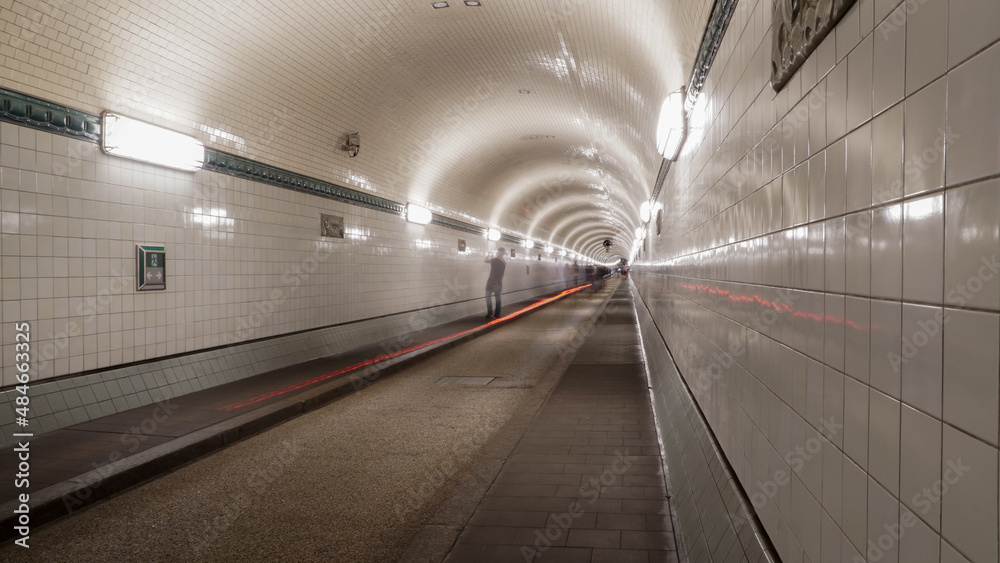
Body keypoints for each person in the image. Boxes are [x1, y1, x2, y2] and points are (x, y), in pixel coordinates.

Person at [483, 247, 507, 319]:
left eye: (497, 252)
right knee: (497, 298)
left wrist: (489, 254)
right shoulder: (504, 262)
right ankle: (497, 313)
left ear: (500, 253)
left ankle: (490, 311)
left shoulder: (495, 260)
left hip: (491, 281)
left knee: (488, 297)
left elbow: (486, 260)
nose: (497, 254)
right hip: (498, 282)